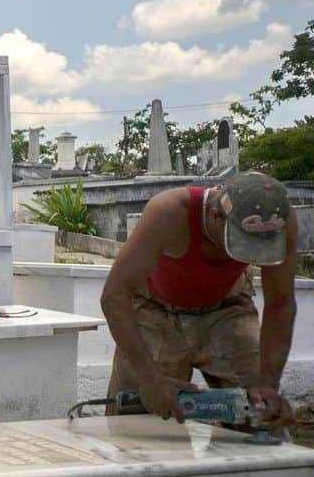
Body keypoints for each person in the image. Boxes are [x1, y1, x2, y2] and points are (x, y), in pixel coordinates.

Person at [100, 171, 298, 426]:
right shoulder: (169, 211)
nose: (243, 257)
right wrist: (149, 377)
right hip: (155, 309)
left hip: (227, 310)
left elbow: (281, 303)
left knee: (259, 413)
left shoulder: (279, 221)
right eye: (240, 244)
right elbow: (114, 295)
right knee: (135, 421)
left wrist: (269, 382)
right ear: (215, 215)